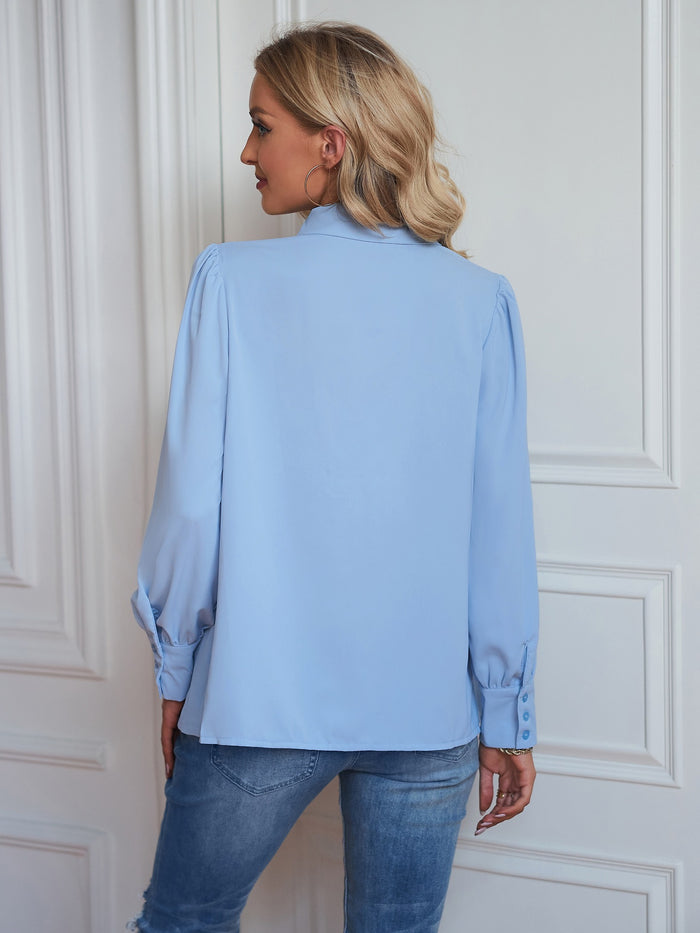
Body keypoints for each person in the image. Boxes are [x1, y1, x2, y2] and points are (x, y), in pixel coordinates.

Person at [128, 21, 539, 933]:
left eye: (261, 125)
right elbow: (499, 530)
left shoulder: (229, 282)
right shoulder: (480, 301)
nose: (247, 152)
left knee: (182, 923)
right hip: (428, 713)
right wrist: (507, 710)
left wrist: (176, 664)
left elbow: (191, 507)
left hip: (256, 700)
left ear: (331, 143)